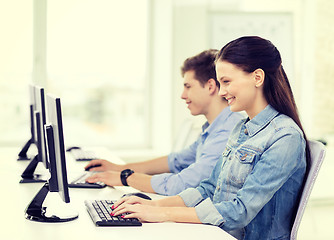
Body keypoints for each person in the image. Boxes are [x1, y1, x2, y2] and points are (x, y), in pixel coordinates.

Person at [109, 36, 310, 240]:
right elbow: (209, 187)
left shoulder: (285, 137)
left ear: (257, 77)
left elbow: (239, 211)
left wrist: (161, 213)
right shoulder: (242, 128)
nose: (221, 92)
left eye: (227, 82)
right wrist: (154, 205)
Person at [85, 49, 243, 196]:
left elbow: (181, 184)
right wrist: (118, 168)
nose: (182, 95)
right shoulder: (212, 129)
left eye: (188, 86)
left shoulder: (227, 132)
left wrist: (124, 177)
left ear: (210, 86)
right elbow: (175, 161)